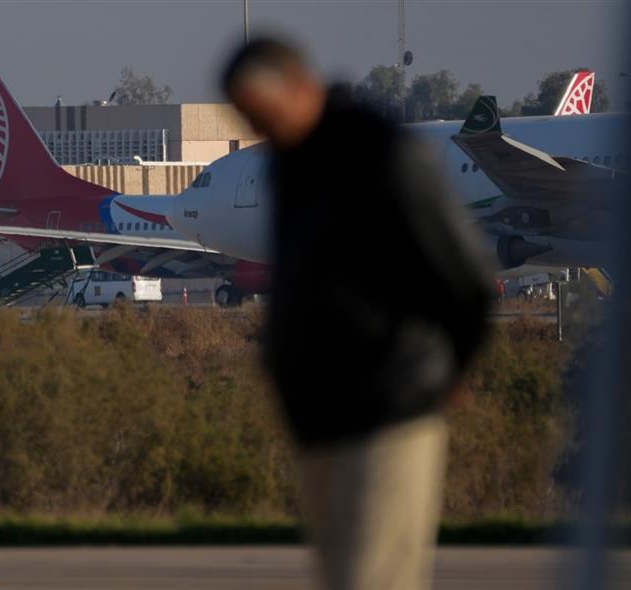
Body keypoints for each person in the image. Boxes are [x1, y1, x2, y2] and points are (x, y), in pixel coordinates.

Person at [221, 38, 493, 590]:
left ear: (300, 87)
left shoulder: (383, 155)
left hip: (387, 410)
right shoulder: (290, 171)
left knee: (373, 578)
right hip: (319, 421)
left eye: (263, 113)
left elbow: (466, 279)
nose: (259, 131)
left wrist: (448, 372)